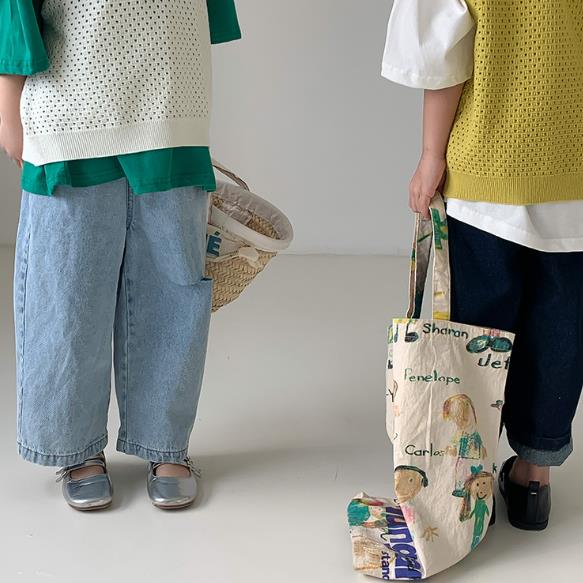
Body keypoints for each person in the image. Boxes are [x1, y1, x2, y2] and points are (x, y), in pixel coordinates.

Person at [0, 0, 241, 511]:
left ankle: (165, 443)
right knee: (67, 290)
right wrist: (8, 98)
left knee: (173, 284)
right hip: (70, 96)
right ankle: (76, 447)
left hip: (172, 92)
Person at [382, 0, 583, 531]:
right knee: (561, 325)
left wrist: (431, 155)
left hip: (489, 167)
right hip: (576, 175)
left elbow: (442, 56)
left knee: (475, 329)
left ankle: (467, 478)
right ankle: (534, 480)